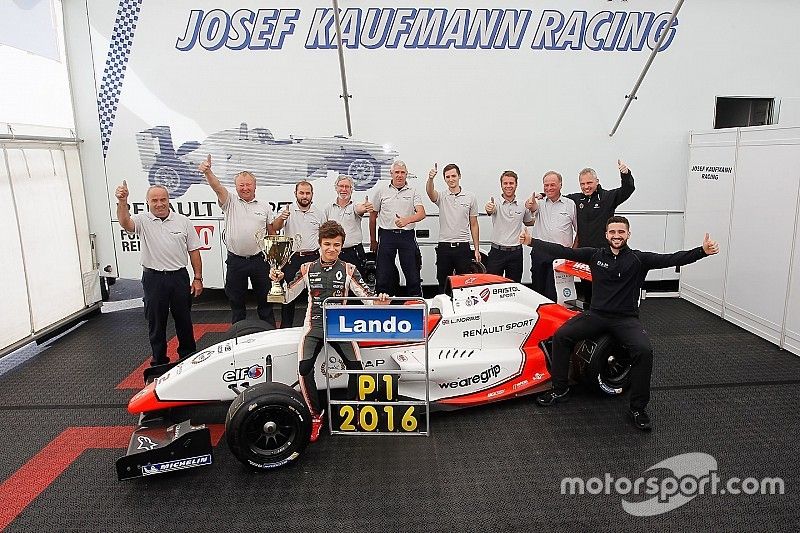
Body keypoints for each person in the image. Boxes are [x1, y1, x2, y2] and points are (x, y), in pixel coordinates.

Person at [520, 216, 720, 431]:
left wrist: (702, 251)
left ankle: (638, 408)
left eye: (621, 232)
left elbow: (671, 259)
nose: (617, 236)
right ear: (606, 235)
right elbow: (563, 251)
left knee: (644, 351)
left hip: (625, 319)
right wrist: (532, 241)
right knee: (561, 336)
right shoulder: (594, 255)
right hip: (596, 315)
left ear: (628, 234)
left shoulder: (638, 259)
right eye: (613, 232)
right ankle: (560, 390)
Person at [270, 221, 389, 442]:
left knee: (357, 368)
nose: (331, 249)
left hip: (340, 326)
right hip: (314, 326)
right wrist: (278, 282)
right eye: (327, 244)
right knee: (304, 368)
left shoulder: (348, 269)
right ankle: (315, 416)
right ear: (319, 245)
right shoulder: (306, 269)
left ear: (342, 246)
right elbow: (287, 297)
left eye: (336, 245)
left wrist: (380, 300)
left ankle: (352, 411)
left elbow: (366, 297)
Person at [115, 181, 203, 367]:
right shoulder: (142, 221)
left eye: (163, 199)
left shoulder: (183, 221)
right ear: (148, 202)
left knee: (184, 320)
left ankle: (188, 358)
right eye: (154, 200)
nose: (159, 203)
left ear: (169, 200)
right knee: (156, 322)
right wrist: (122, 201)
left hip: (179, 277)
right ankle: (159, 362)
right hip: (153, 279)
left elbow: (194, 251)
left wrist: (197, 278)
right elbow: (125, 222)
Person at [198, 155, 275, 326]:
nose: (245, 188)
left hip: (259, 260)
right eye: (241, 185)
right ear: (236, 187)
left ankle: (270, 332)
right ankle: (237, 337)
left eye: (248, 184)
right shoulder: (230, 201)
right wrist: (208, 172)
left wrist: (273, 262)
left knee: (266, 302)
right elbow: (217, 187)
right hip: (236, 261)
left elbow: (271, 233)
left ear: (255, 186)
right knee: (236, 303)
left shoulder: (264, 206)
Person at [566, 160, 635, 302]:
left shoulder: (608, 197)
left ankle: (607, 316)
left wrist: (626, 174)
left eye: (589, 183)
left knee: (605, 288)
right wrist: (542, 195)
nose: (586, 187)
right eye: (583, 184)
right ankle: (591, 315)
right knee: (587, 289)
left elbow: (627, 190)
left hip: (604, 254)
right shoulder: (575, 199)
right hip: (584, 254)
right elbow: (557, 198)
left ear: (597, 181)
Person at [369, 160, 426, 296]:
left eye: (402, 173)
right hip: (386, 235)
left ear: (407, 175)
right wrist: (373, 240)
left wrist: (407, 220)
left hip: (406, 236)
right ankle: (381, 300)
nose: (399, 175)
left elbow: (422, 213)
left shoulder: (413, 191)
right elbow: (373, 216)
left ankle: (415, 301)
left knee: (412, 271)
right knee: (383, 272)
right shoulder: (381, 191)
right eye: (397, 172)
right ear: (391, 174)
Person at [272, 180, 323, 328]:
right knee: (289, 296)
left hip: (314, 258)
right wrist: (282, 218)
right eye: (301, 193)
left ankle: (316, 327)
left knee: (316, 295)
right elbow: (275, 228)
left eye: (308, 193)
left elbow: (324, 237)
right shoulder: (287, 211)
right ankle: (285, 328)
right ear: (296, 194)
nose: (304, 196)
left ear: (312, 195)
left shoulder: (319, 214)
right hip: (292, 259)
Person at [426, 163, 480, 293]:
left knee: (465, 284)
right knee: (443, 283)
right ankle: (443, 311)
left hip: (463, 247)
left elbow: (474, 224)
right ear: (444, 179)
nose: (451, 179)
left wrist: (477, 249)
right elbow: (430, 193)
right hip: (444, 247)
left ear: (459, 176)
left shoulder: (470, 197)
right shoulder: (441, 197)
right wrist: (431, 179)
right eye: (448, 177)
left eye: (453, 176)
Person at [525, 171, 577, 301]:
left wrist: (573, 252)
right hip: (540, 253)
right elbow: (532, 207)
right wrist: (530, 203)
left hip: (561, 254)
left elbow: (578, 230)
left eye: (552, 185)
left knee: (556, 294)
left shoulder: (570, 204)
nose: (549, 188)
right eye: (546, 185)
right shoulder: (540, 202)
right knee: (538, 291)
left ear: (560, 185)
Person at [484, 170, 533, 282]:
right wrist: (488, 208)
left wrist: (540, 213)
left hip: (516, 253)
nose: (508, 186)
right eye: (505, 183)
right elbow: (490, 210)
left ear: (516, 184)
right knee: (493, 286)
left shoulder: (522, 204)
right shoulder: (495, 202)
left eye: (511, 183)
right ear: (501, 185)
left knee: (514, 287)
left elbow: (528, 222)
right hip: (497, 252)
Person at [324, 175, 372, 273]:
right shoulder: (328, 208)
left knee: (357, 286)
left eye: (347, 187)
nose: (344, 189)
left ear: (352, 189)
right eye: (341, 186)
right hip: (334, 253)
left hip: (354, 253)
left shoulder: (355, 205)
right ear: (336, 188)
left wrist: (365, 207)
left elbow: (360, 209)